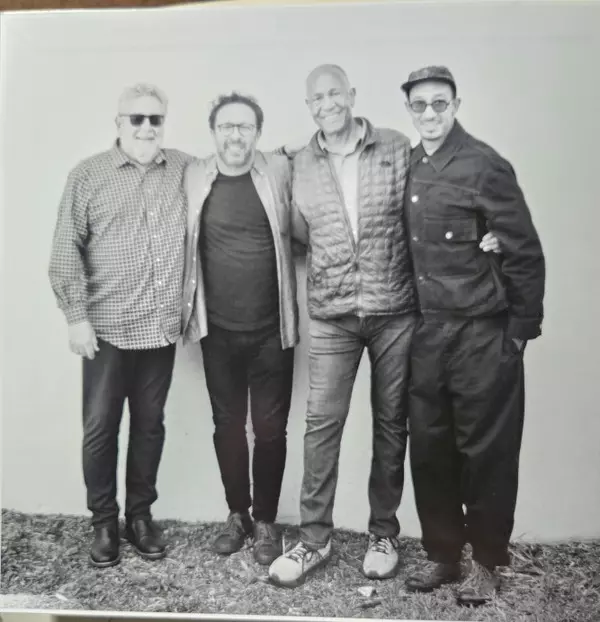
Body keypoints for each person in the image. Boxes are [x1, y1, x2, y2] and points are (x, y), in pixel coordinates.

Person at [265, 63, 422, 588]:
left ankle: (383, 534)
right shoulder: (298, 163)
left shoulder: (396, 146)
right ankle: (314, 540)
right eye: (317, 98)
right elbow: (293, 233)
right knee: (321, 424)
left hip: (394, 308)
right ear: (309, 106)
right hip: (333, 312)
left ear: (352, 95)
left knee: (391, 421)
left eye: (335, 93)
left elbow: (426, 208)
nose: (327, 103)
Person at [400, 66, 546, 606]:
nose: (430, 114)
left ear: (456, 105)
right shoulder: (410, 165)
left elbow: (525, 252)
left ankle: (485, 563)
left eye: (440, 103)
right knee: (431, 449)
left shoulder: (485, 165)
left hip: (483, 334)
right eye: (420, 105)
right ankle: (443, 554)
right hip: (428, 333)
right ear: (409, 110)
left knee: (486, 454)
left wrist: (519, 334)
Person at [48, 83, 193, 568]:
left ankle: (140, 518)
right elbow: (65, 251)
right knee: (100, 428)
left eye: (155, 119)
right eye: (137, 118)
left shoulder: (184, 168)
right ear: (119, 123)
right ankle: (104, 523)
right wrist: (76, 318)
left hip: (160, 328)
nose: (147, 127)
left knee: (150, 426)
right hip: (106, 330)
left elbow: (232, 162)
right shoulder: (88, 175)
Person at [181, 92, 299, 566]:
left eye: (245, 126)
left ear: (258, 133)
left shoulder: (278, 171)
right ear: (213, 132)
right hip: (218, 332)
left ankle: (266, 520)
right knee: (227, 426)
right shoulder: (194, 175)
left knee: (270, 430)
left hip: (272, 330)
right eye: (226, 126)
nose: (235, 135)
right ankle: (238, 514)